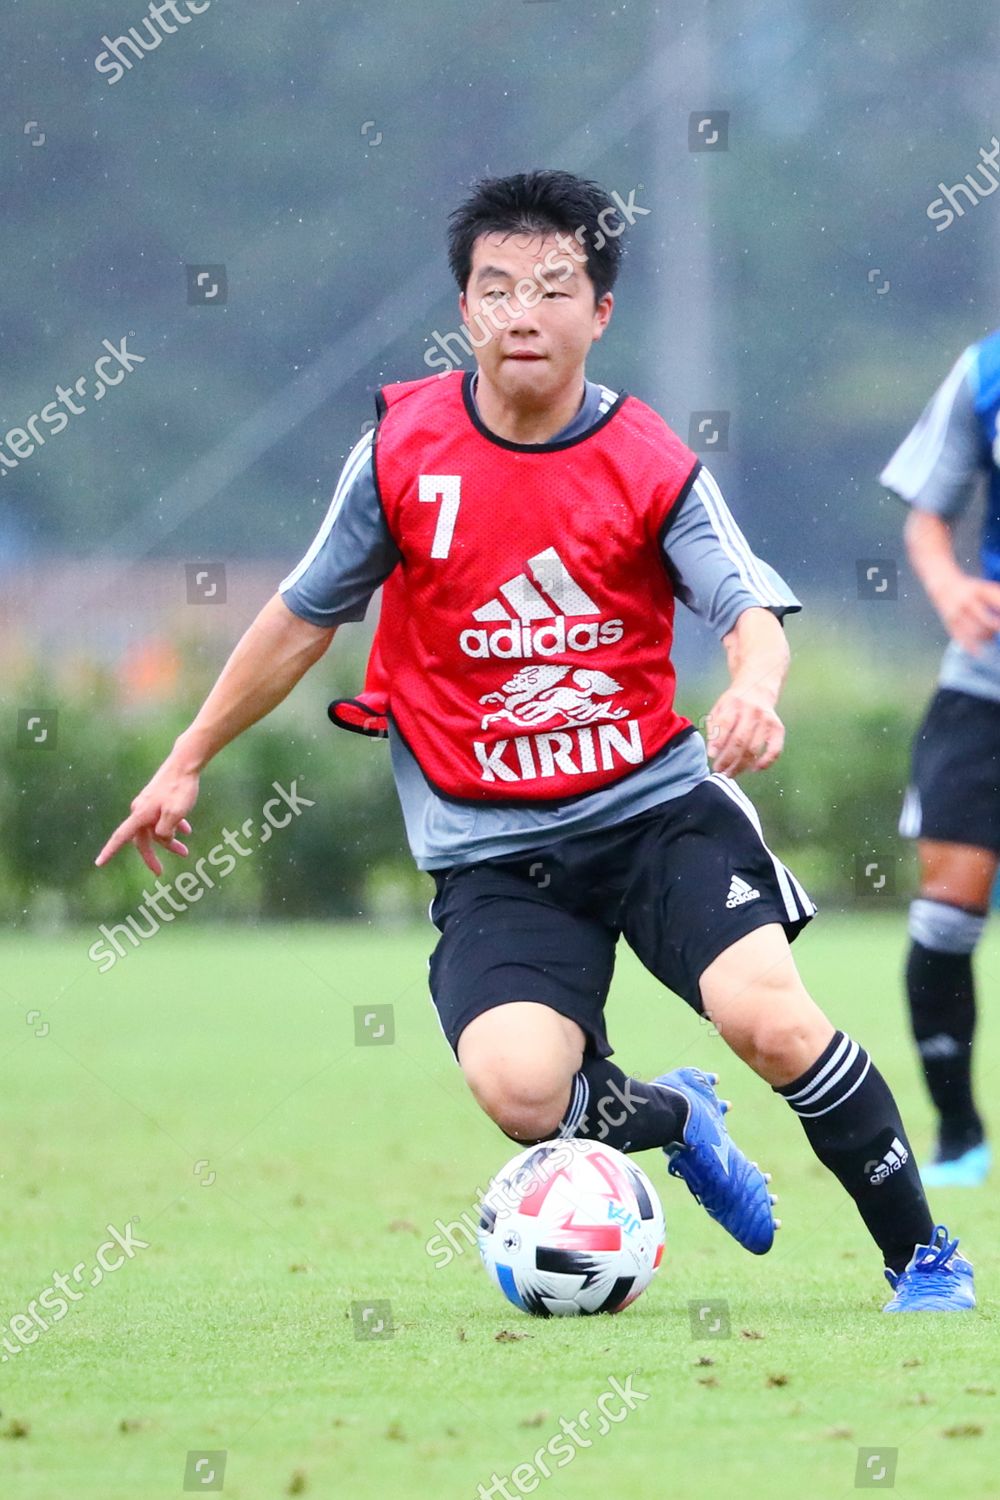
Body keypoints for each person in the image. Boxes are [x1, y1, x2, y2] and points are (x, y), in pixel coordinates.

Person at [97, 169, 972, 1311]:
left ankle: (921, 1258)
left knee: (767, 1016)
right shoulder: (402, 456)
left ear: (598, 313)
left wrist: (755, 689)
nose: (523, 311)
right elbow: (303, 619)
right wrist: (187, 756)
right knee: (519, 1092)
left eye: (554, 289)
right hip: (492, 852)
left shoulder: (648, 461)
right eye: (496, 287)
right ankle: (674, 1118)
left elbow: (747, 611)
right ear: (464, 309)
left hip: (657, 814)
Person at [881, 330, 1000, 1188]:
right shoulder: (984, 370)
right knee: (947, 909)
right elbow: (927, 513)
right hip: (984, 687)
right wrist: (951, 585)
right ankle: (959, 1132)